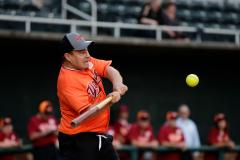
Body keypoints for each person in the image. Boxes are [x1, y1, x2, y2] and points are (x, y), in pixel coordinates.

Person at [57, 33, 127, 160]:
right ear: (68, 56)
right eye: (82, 52)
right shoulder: (67, 81)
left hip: (96, 134)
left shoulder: (86, 63)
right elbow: (87, 112)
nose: (88, 55)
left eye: (87, 51)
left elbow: (109, 70)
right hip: (77, 139)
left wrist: (118, 84)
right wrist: (110, 101)